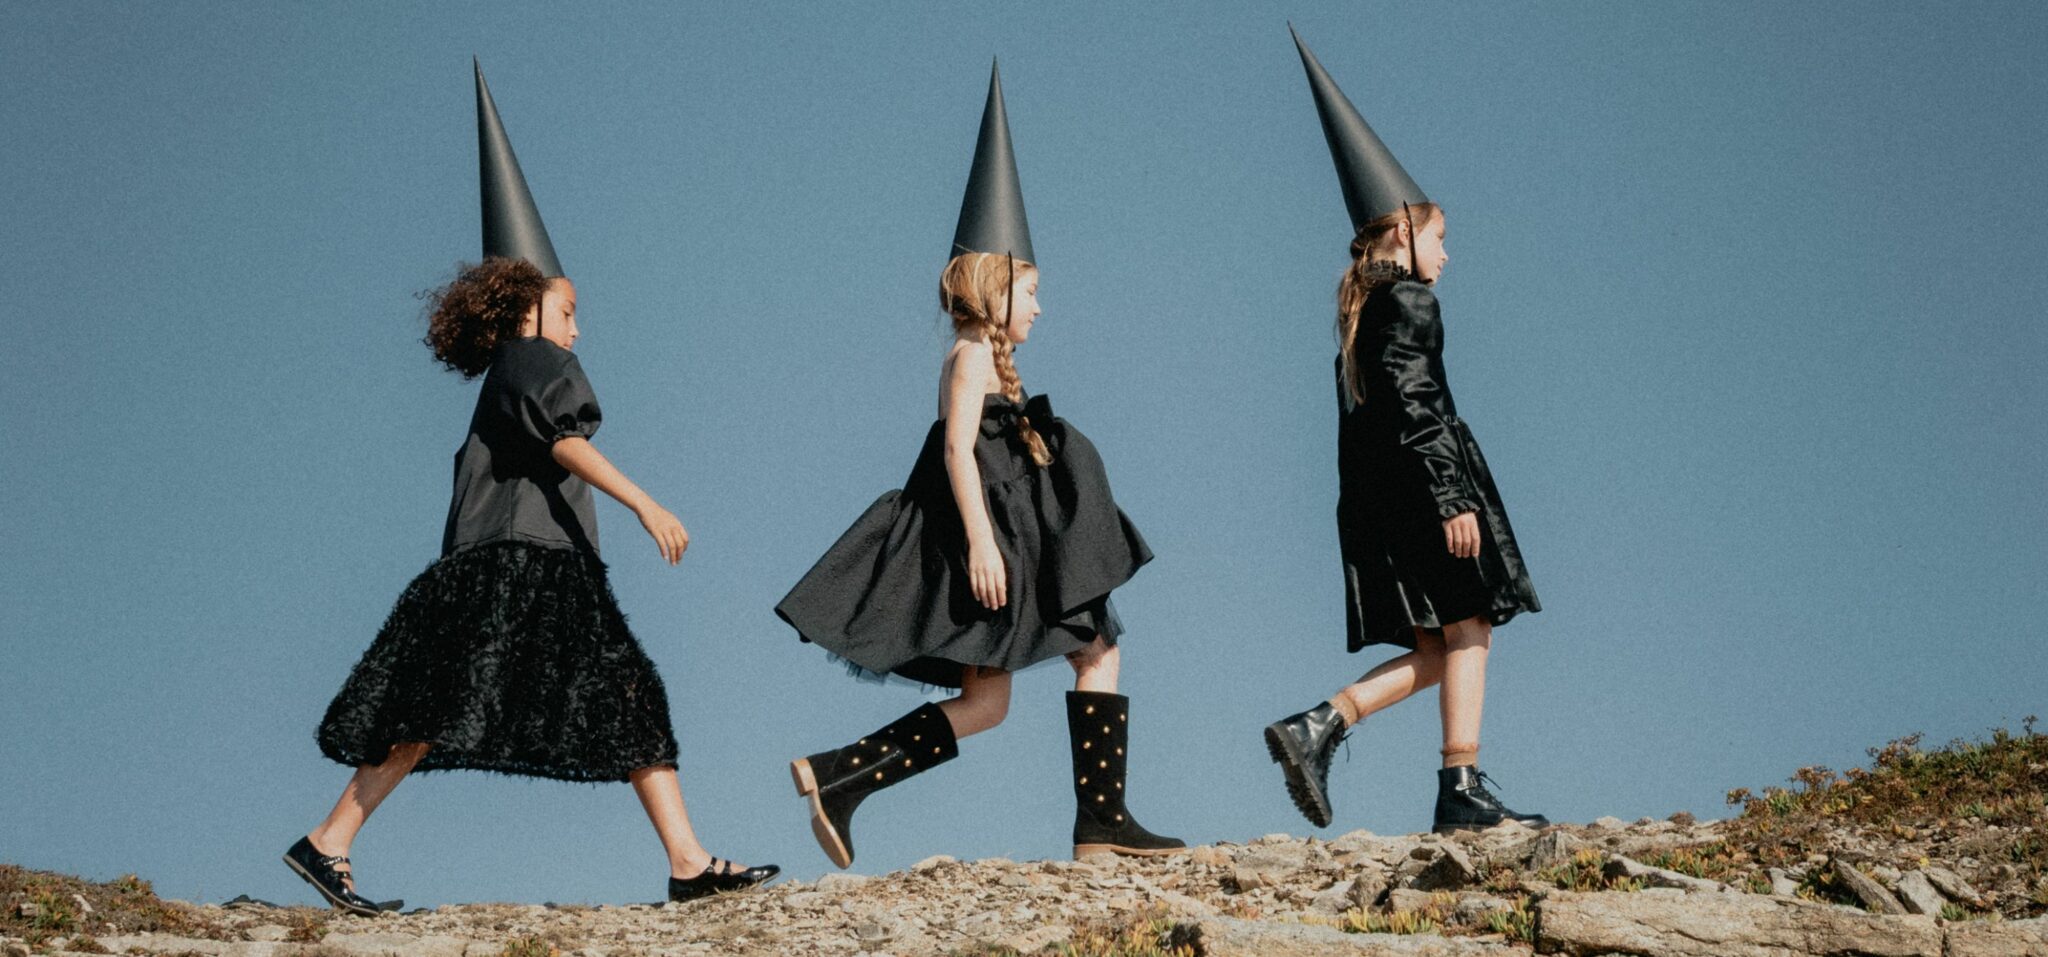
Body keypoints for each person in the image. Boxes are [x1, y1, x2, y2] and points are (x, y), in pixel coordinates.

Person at [285, 62, 776, 914]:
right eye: (570, 310)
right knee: (578, 697)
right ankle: (330, 840)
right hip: (521, 566)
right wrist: (646, 503)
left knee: (559, 700)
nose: (578, 329)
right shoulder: (533, 357)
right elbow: (566, 441)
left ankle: (685, 859)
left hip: (520, 567)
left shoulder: (507, 371)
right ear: (528, 308)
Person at [774, 62, 1183, 867]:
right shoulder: (968, 355)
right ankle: (1100, 823)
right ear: (997, 287)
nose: (1039, 306)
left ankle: (841, 777)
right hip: (996, 551)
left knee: (990, 701)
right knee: (1097, 652)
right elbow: (956, 449)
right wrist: (983, 544)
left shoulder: (988, 361)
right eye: (1031, 290)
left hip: (1015, 547)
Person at [1263, 29, 1546, 836]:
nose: (1447, 255)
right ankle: (1461, 787)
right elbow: (1420, 401)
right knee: (1472, 625)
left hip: (1383, 499)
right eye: (1439, 237)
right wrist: (1453, 497)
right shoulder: (1410, 301)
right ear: (1401, 233)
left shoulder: (1360, 317)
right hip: (1427, 489)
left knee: (1435, 647)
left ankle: (1319, 724)